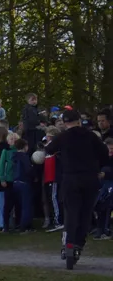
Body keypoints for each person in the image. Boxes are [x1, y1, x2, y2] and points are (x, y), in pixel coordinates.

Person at [47, 109, 107, 269]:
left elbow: (49, 150)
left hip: (70, 178)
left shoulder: (63, 136)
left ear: (65, 123)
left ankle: (69, 244)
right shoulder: (90, 136)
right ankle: (79, 245)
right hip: (89, 178)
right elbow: (104, 153)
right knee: (85, 213)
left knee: (71, 212)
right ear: (79, 121)